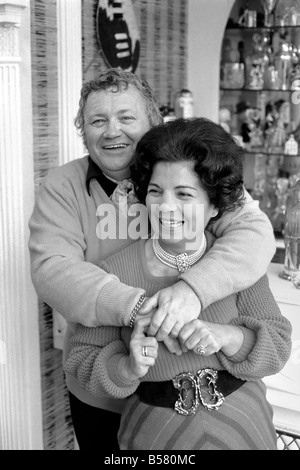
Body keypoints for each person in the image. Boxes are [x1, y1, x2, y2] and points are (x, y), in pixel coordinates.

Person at [28, 68, 276, 450]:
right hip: (104, 389)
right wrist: (141, 308)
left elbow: (255, 235)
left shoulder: (199, 172)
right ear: (83, 131)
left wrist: (191, 292)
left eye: (126, 118)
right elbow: (53, 271)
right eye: (98, 120)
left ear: (153, 123)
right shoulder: (63, 187)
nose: (112, 131)